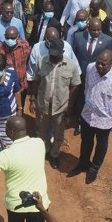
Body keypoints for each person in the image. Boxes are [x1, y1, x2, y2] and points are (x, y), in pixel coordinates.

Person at [69, 49, 112, 183]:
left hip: (104, 120)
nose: (100, 66)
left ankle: (95, 167)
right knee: (86, 141)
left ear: (111, 64)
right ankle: (83, 163)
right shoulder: (90, 68)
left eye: (104, 64)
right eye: (98, 63)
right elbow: (87, 86)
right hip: (87, 115)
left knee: (101, 145)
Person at [29, 38, 81, 170]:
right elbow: (36, 80)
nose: (52, 56)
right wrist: (33, 99)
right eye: (51, 53)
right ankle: (44, 151)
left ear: (62, 52)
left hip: (60, 107)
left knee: (58, 134)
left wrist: (69, 105)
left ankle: (54, 154)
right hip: (43, 105)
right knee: (41, 132)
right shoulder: (42, 62)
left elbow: (75, 85)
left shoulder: (71, 65)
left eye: (55, 54)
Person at [71, 18, 112, 135]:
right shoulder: (78, 37)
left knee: (94, 99)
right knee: (80, 99)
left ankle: (93, 122)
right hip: (80, 76)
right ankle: (79, 122)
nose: (96, 32)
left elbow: (110, 59)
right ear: (88, 28)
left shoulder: (108, 41)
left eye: (99, 30)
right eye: (93, 30)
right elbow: (74, 56)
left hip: (97, 77)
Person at [0, 26, 31, 96]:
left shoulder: (25, 46)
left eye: (13, 38)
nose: (10, 40)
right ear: (4, 36)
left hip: (22, 85)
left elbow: (28, 60)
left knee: (21, 105)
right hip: (7, 87)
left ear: (18, 37)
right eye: (7, 38)